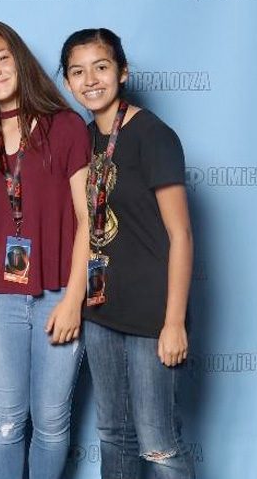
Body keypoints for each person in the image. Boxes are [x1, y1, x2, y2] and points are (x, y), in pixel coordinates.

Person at [60, 28, 195, 478]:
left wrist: (173, 322)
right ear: (67, 82)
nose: (90, 80)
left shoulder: (152, 135)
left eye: (101, 67)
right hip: (101, 309)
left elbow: (181, 236)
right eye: (77, 72)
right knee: (113, 435)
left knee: (157, 442)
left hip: (151, 314)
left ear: (122, 72)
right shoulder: (82, 138)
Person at [0, 20, 90, 479]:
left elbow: (87, 218)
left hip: (59, 293)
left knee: (52, 422)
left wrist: (75, 298)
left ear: (20, 59)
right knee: (6, 418)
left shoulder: (68, 126)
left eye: (1, 58)